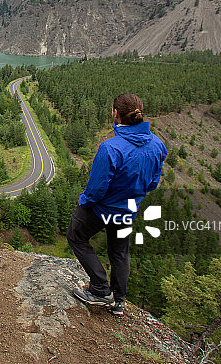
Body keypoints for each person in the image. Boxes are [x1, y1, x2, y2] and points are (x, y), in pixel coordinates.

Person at [67, 93, 167, 317]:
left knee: (76, 236)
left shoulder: (110, 148)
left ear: (115, 114)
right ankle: (118, 300)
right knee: (119, 253)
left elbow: (95, 190)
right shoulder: (158, 145)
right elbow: (152, 183)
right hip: (128, 210)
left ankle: (101, 290)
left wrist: (84, 203)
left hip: (102, 209)